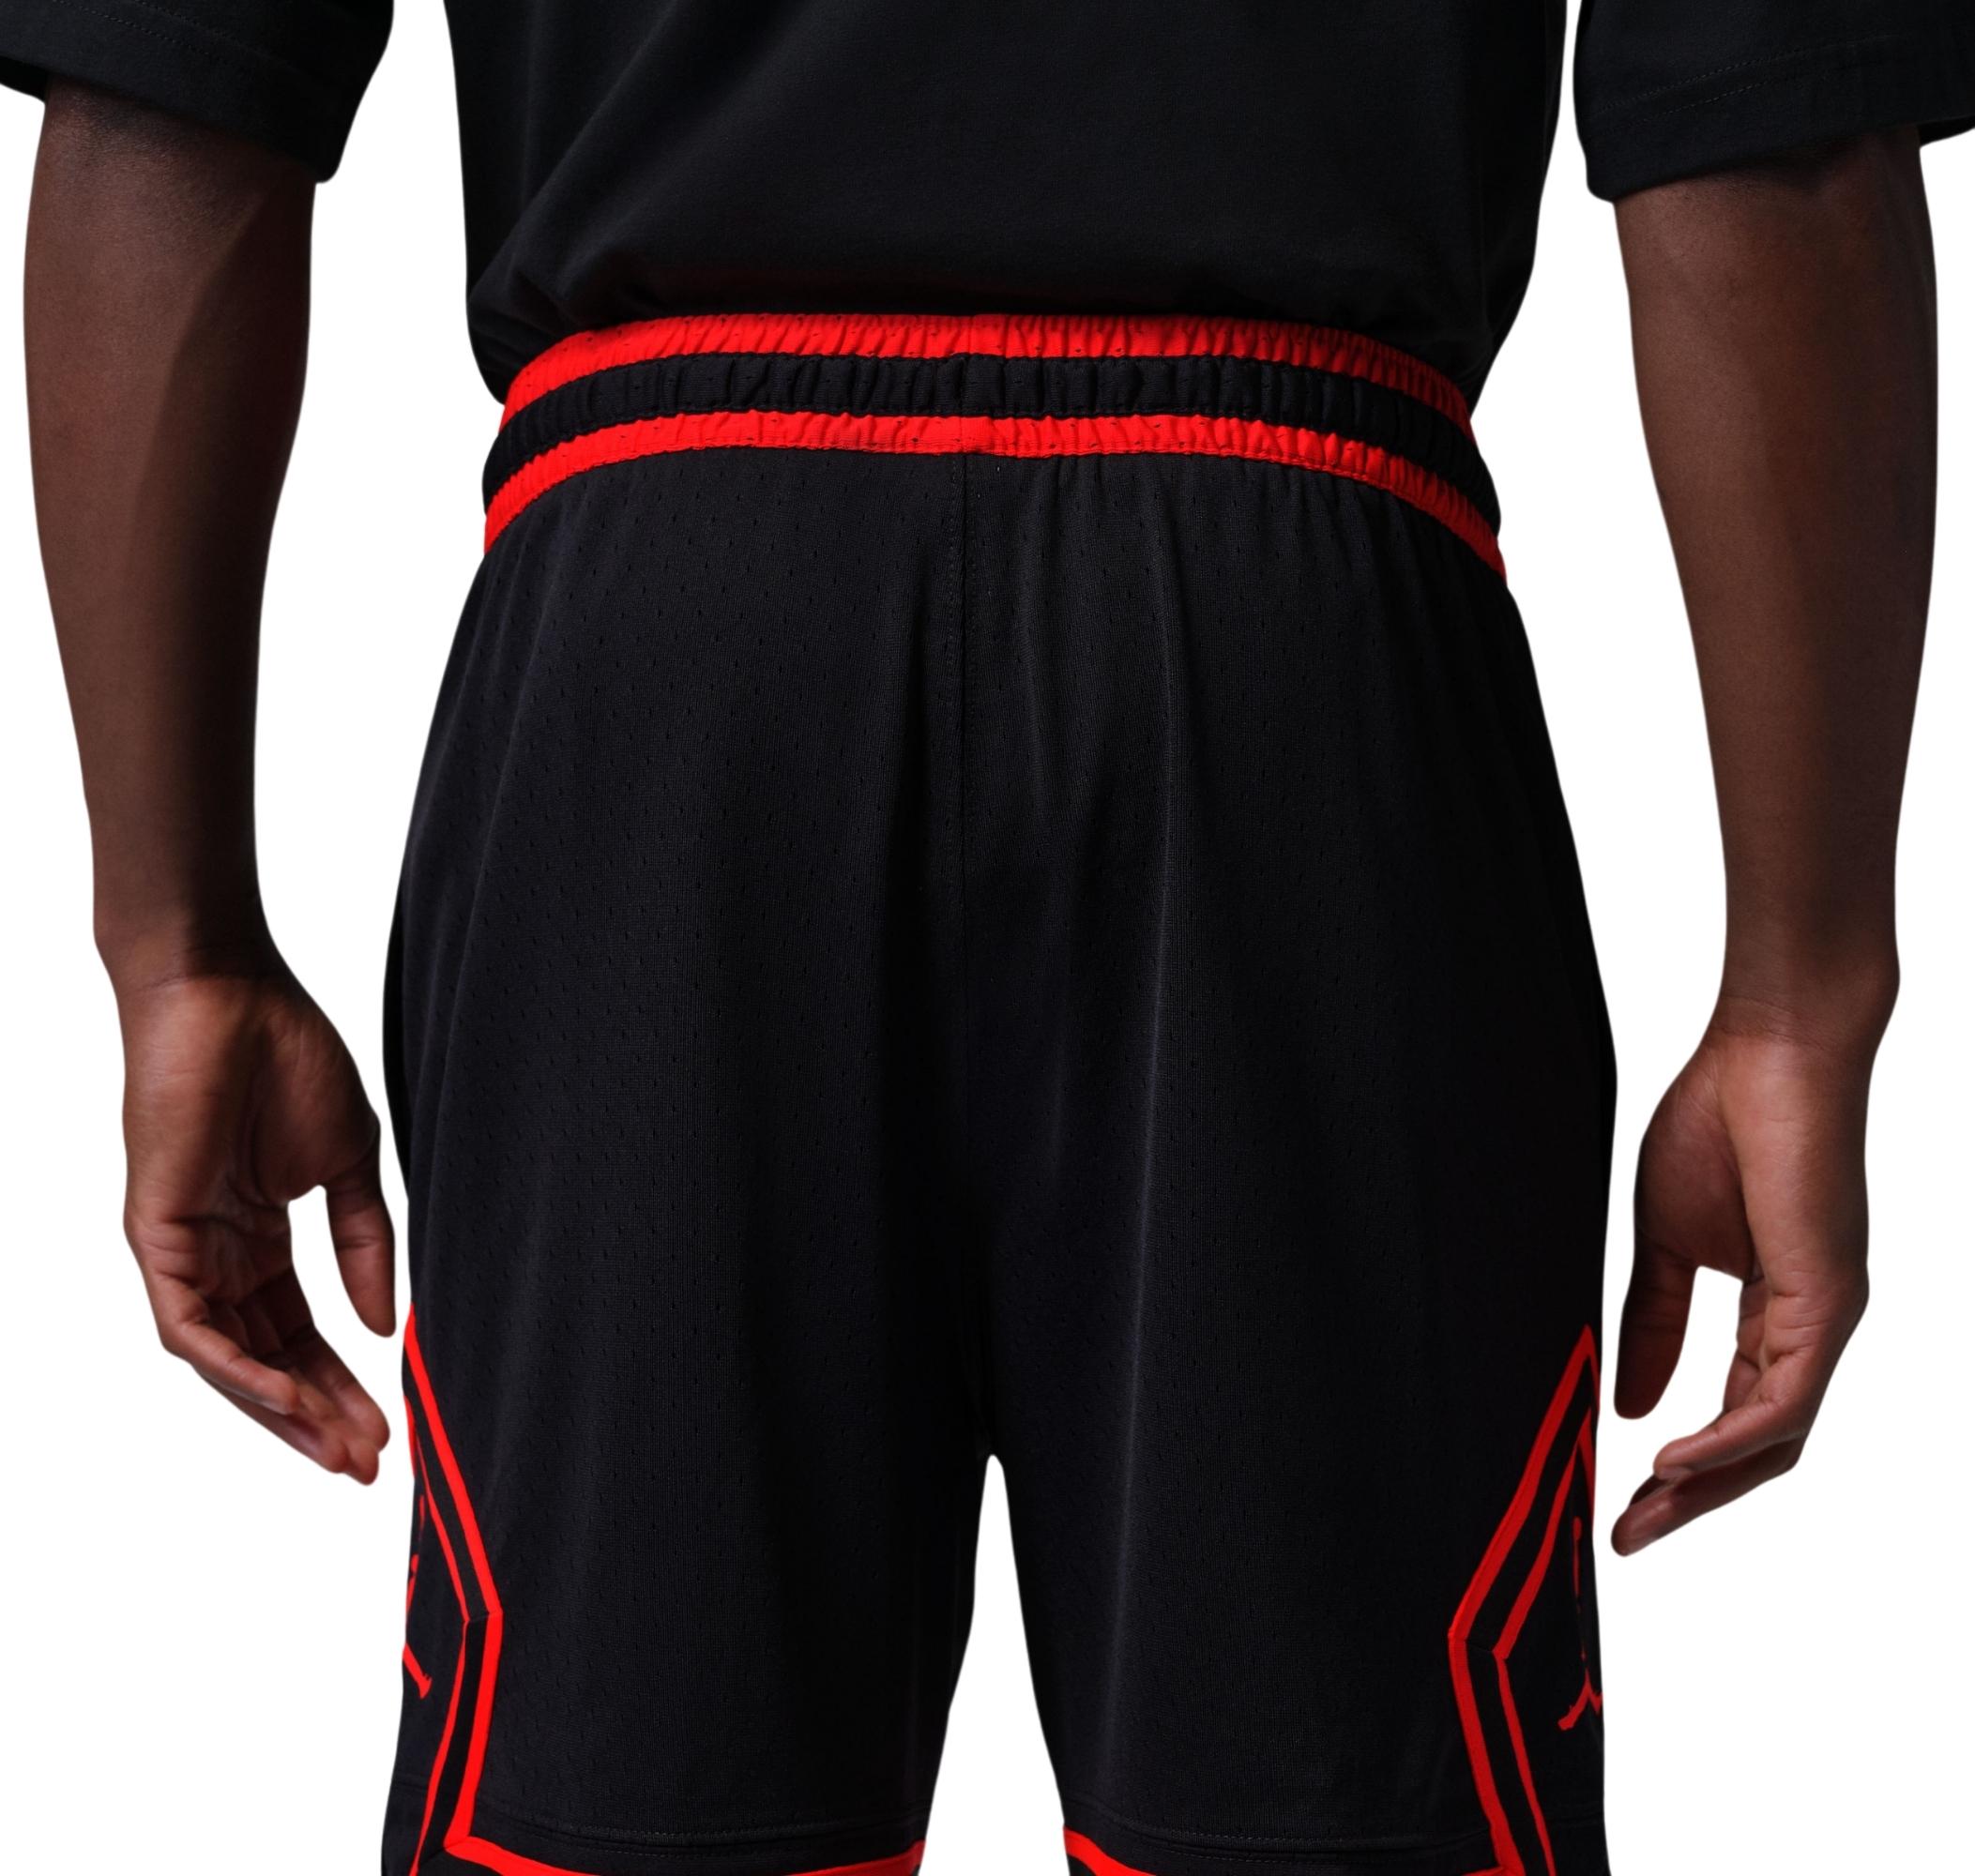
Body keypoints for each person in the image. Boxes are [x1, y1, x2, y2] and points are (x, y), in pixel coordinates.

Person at [3, 4, 1966, 1873]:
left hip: (677, 648)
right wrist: (1800, 991)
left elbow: (177, 90)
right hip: (1291, 647)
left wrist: (179, 943)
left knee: (609, 1808)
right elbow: (1769, 113)